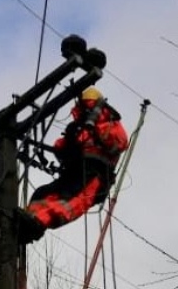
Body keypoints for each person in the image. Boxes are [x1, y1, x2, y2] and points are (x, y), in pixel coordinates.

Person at [17, 86, 129, 244]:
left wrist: (96, 125)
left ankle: (38, 222)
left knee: (69, 202)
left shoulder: (110, 122)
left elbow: (120, 142)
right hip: (74, 172)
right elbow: (61, 147)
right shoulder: (79, 128)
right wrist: (68, 140)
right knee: (42, 193)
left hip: (96, 174)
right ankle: (29, 220)